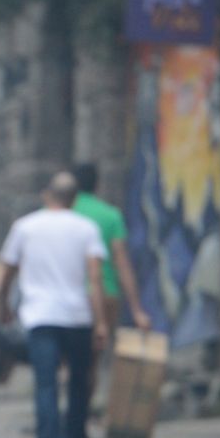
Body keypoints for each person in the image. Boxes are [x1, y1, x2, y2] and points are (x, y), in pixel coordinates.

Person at [0, 171, 108, 438]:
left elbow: (5, 272)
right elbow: (95, 279)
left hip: (40, 317)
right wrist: (100, 322)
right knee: (78, 386)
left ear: (47, 195)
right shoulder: (87, 228)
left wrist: (4, 305)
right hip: (77, 317)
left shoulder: (25, 226)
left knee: (46, 386)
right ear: (74, 199)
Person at [71, 163, 151, 401]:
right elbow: (122, 264)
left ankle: (65, 413)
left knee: (67, 360)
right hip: (106, 295)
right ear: (97, 185)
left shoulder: (62, 214)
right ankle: (81, 415)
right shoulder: (110, 215)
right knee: (92, 361)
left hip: (70, 295)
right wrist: (137, 309)